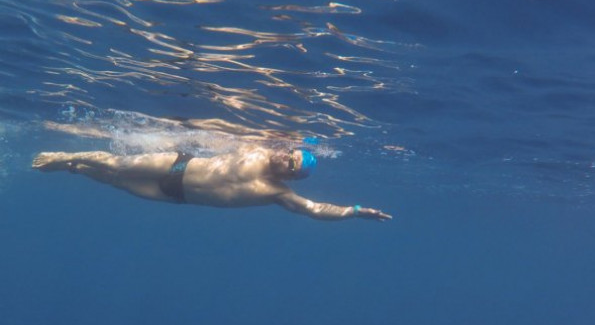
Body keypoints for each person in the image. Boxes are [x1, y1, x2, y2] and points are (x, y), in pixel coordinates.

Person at [32, 146, 392, 221]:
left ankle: (74, 169)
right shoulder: (257, 145)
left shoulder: (278, 192)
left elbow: (314, 209)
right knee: (119, 163)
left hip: (179, 196)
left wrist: (354, 211)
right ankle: (65, 155)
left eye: (292, 165)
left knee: (117, 183)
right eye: (290, 154)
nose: (286, 160)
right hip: (179, 165)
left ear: (292, 175)